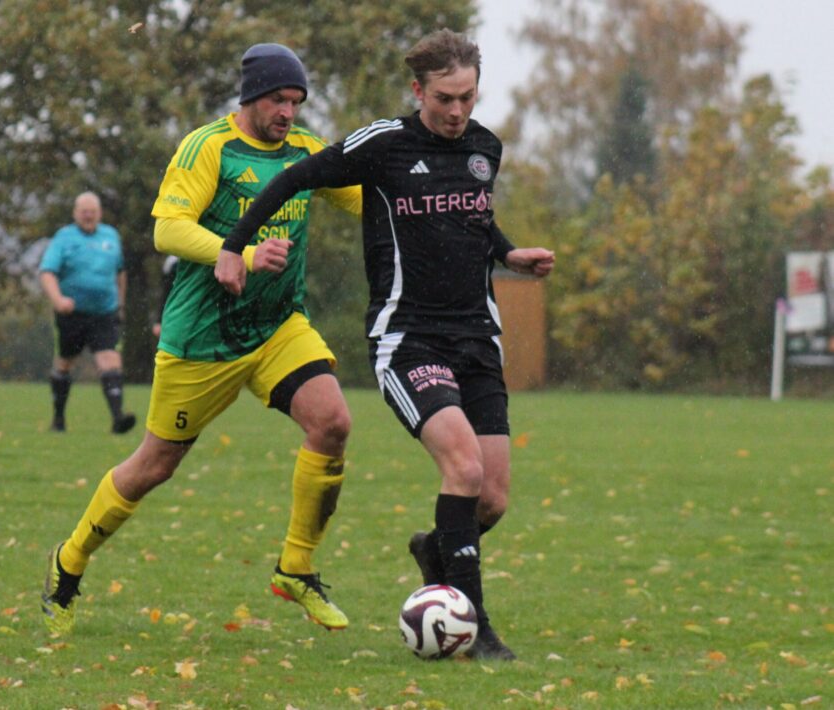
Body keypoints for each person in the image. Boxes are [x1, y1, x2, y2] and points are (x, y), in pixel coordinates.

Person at [216, 29, 555, 660]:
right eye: (445, 98)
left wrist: (508, 254)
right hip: (409, 339)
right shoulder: (383, 145)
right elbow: (293, 178)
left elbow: (472, 220)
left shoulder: (485, 148)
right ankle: (475, 628)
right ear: (418, 90)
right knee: (464, 469)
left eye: (468, 97)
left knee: (492, 498)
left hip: (478, 338)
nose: (457, 111)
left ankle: (436, 550)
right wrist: (234, 247)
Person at [40, 43, 363, 636]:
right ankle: (70, 559)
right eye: (278, 100)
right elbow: (167, 229)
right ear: (251, 97)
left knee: (333, 422)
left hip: (277, 327)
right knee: (153, 465)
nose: (288, 112)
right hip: (202, 338)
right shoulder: (208, 147)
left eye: (296, 101)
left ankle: (295, 568)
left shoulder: (304, 150)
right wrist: (237, 252)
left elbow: (364, 198)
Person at [39, 191, 136, 434]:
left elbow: (120, 273)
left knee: (110, 360)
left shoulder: (111, 236)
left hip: (104, 314)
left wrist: (120, 304)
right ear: (75, 213)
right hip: (72, 315)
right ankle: (58, 419)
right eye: (84, 212)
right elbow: (47, 272)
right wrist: (58, 299)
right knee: (65, 363)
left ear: (99, 213)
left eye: (92, 212)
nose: (88, 216)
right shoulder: (64, 238)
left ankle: (118, 419)